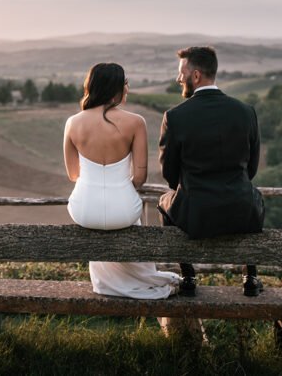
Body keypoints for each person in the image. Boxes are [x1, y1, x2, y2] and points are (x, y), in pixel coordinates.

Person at [64, 62, 181, 299]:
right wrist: (118, 190)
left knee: (99, 217)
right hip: (125, 212)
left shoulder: (73, 123)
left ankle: (109, 283)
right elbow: (139, 177)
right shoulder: (136, 122)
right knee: (124, 215)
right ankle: (139, 278)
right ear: (116, 88)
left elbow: (73, 174)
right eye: (126, 84)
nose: (127, 89)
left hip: (84, 211)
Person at [158, 46, 266, 297]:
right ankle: (250, 276)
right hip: (241, 210)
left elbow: (169, 174)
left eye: (181, 73)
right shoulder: (246, 112)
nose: (178, 79)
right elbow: (251, 168)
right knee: (254, 196)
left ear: (195, 76)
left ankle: (188, 275)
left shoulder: (175, 117)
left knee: (164, 202)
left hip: (196, 213)